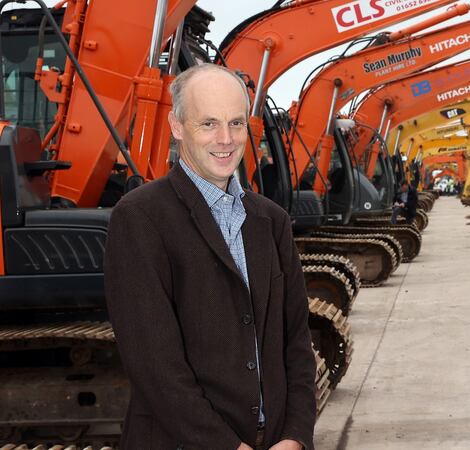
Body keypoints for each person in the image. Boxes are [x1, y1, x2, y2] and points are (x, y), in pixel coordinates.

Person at [104, 64, 316, 450]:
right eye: (208, 124)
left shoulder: (272, 220)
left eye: (236, 124)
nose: (226, 139)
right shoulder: (140, 218)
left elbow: (296, 343)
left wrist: (296, 436)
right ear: (177, 126)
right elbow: (155, 365)